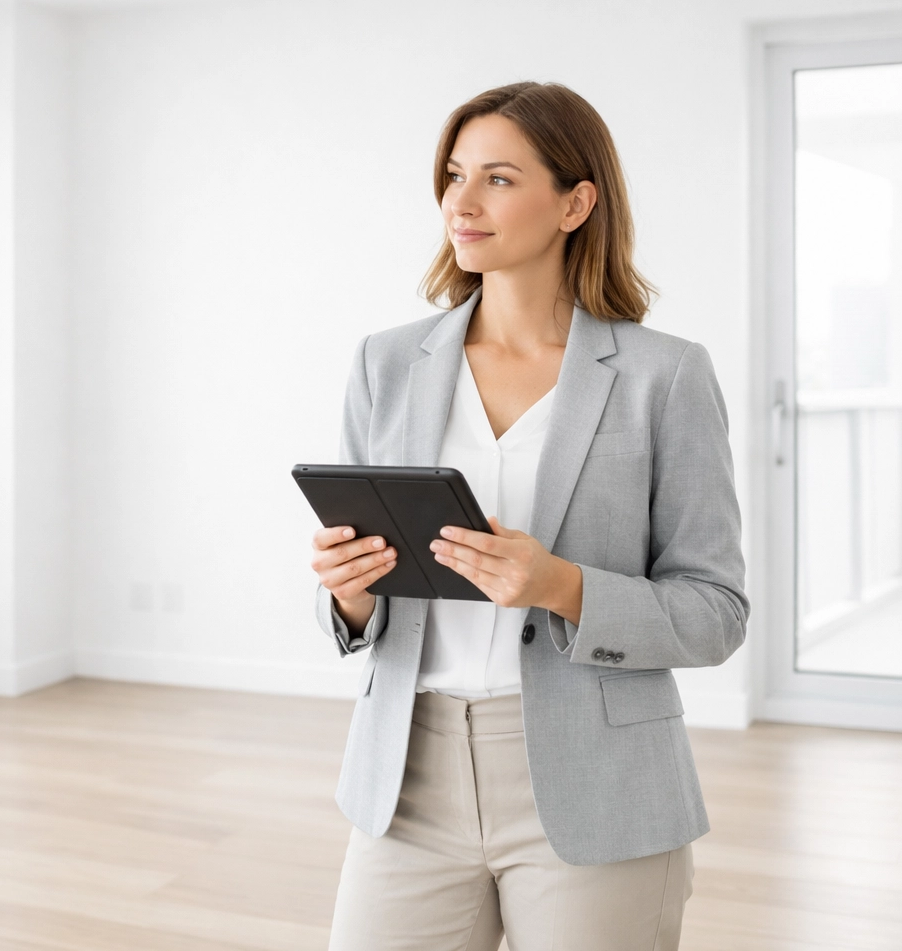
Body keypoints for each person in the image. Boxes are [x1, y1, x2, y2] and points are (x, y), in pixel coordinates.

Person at [308, 81, 748, 950]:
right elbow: (360, 597)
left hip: (598, 781)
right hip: (407, 777)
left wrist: (561, 585)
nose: (461, 203)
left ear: (576, 203)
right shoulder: (384, 364)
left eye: (498, 179)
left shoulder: (665, 376)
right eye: (454, 175)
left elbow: (716, 613)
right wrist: (349, 595)